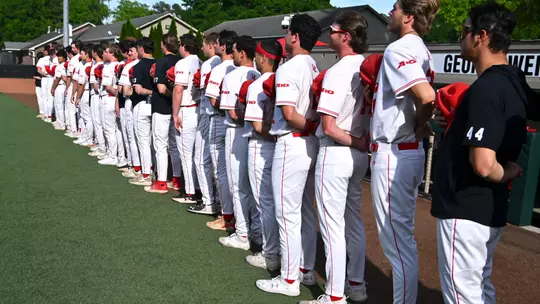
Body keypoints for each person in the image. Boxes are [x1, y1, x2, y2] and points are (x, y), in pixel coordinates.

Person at [431, 4, 529, 304]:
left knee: (464, 295)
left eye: (465, 31)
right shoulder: (515, 82)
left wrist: (507, 172)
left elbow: (484, 165)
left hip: (467, 208)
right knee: (480, 289)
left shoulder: (487, 88)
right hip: (487, 210)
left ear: (480, 37)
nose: (462, 37)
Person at [369, 1, 439, 303]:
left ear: (408, 16)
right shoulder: (421, 48)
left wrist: (419, 124)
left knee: (398, 245)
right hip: (406, 150)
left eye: (395, 7)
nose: (390, 12)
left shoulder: (399, 48)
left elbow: (427, 97)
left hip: (395, 151)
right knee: (402, 241)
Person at [300, 11, 371, 304]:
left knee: (332, 227)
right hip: (358, 156)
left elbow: (328, 126)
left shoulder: (339, 71)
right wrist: (361, 143)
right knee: (353, 222)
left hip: (337, 150)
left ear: (346, 36)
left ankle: (333, 296)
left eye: (333, 29)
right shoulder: (367, 67)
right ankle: (356, 286)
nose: (329, 33)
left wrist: (356, 141)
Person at [255, 13, 321, 297]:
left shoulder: (290, 67)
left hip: (293, 142)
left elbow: (290, 115)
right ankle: (305, 272)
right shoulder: (314, 64)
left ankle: (289, 280)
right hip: (309, 145)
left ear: (294, 37)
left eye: (287, 33)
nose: (285, 38)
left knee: (287, 215)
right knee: (305, 213)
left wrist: (314, 127)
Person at [243, 39, 284, 270]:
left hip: (261, 146)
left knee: (264, 204)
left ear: (262, 57)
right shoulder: (282, 77)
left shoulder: (258, 84)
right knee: (280, 205)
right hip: (282, 146)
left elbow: (258, 126)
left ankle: (270, 254)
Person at [217, 35, 261, 250]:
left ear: (242, 53)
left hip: (237, 132)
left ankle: (242, 234)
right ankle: (255, 231)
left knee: (238, 186)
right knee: (254, 188)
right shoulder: (259, 74)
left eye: (234, 51)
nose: (232, 55)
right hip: (257, 135)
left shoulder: (232, 76)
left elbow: (233, 114)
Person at [203, 30, 238, 231]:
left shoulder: (219, 69)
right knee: (236, 173)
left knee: (221, 171)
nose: (214, 46)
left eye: (216, 43)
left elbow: (214, 101)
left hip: (219, 120)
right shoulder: (245, 67)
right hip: (240, 123)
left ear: (223, 46)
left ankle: (227, 216)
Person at [188, 32, 222, 215]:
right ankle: (218, 203)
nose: (202, 48)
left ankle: (209, 203)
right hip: (227, 118)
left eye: (204, 44)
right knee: (221, 166)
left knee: (201, 160)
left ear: (212, 45)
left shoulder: (210, 64)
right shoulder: (230, 64)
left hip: (209, 115)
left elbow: (205, 95)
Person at [144, 34, 182, 194]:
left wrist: (172, 94)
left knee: (160, 145)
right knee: (174, 146)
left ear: (164, 46)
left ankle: (161, 182)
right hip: (179, 109)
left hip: (162, 108)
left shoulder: (162, 62)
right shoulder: (181, 61)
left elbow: (160, 89)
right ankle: (176, 179)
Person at [171, 34, 203, 201]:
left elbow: (178, 89)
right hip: (198, 109)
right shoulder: (201, 62)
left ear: (184, 46)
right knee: (197, 155)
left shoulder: (183, 63)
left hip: (187, 109)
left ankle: (191, 192)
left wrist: (175, 114)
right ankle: (198, 189)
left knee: (186, 153)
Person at [129, 37, 156, 186]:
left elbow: (138, 90)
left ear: (141, 49)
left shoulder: (138, 66)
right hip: (158, 106)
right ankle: (157, 172)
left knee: (144, 141)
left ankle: (146, 174)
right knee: (156, 143)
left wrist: (152, 92)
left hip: (142, 104)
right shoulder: (158, 63)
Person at [119, 40, 142, 178]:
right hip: (148, 102)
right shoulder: (152, 62)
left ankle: (135, 166)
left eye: (132, 50)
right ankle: (146, 168)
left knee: (132, 136)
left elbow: (124, 90)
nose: (129, 53)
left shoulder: (129, 66)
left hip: (131, 102)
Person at [97, 43, 122, 166]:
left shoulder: (109, 66)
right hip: (117, 99)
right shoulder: (120, 64)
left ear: (112, 53)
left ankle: (112, 155)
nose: (104, 53)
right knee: (117, 129)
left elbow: (107, 87)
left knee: (109, 129)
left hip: (109, 98)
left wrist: (116, 93)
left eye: (106, 51)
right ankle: (118, 155)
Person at [74, 44, 95, 147]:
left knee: (87, 117)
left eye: (82, 54)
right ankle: (85, 137)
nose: (80, 55)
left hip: (85, 92)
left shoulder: (86, 66)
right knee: (85, 116)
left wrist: (77, 97)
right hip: (89, 92)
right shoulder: (92, 64)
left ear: (87, 54)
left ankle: (89, 139)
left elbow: (81, 84)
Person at [88, 44, 106, 158]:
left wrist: (99, 91)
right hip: (100, 95)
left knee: (98, 122)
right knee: (99, 122)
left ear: (95, 53)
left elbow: (95, 85)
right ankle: (102, 145)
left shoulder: (97, 66)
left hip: (98, 95)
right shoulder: (101, 65)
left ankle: (102, 146)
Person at [50, 50, 68, 131]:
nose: (58, 58)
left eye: (60, 56)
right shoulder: (62, 65)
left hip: (61, 86)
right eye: (58, 56)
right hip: (61, 86)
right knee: (58, 106)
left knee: (60, 106)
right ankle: (59, 121)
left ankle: (61, 123)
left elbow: (57, 79)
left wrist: (53, 88)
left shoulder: (61, 66)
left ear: (64, 57)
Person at [36, 45, 53, 123]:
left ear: (46, 51)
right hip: (52, 78)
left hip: (45, 78)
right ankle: (50, 115)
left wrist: (45, 75)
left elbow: (39, 70)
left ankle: (46, 114)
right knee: (51, 97)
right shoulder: (54, 59)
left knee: (45, 97)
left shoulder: (42, 59)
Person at [34, 52, 45, 119]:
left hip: (39, 83)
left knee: (41, 98)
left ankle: (42, 112)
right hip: (44, 82)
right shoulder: (45, 64)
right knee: (45, 98)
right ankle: (45, 112)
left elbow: (34, 75)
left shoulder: (39, 65)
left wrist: (41, 77)